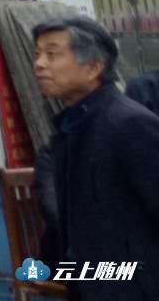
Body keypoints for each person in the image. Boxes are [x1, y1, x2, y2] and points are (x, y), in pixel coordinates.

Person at [32, 16, 159, 299]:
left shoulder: (128, 124)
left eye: (52, 54)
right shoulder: (71, 127)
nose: (39, 64)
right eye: (37, 53)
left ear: (93, 67)